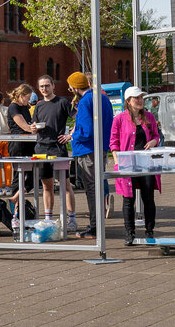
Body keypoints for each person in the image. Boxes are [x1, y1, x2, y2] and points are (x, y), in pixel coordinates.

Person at [110, 85, 161, 245]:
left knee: (148, 198)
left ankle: (149, 231)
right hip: (127, 163)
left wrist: (154, 141)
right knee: (128, 199)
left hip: (146, 163)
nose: (140, 101)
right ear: (128, 101)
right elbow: (113, 142)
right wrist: (117, 161)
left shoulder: (149, 117)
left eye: (141, 98)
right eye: (136, 98)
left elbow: (156, 136)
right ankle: (129, 233)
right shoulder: (119, 119)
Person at [68, 71, 113, 239]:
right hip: (100, 147)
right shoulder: (103, 98)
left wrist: (72, 135)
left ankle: (95, 228)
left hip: (87, 150)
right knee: (97, 188)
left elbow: (86, 131)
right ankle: (96, 226)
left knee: (92, 189)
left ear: (74, 87)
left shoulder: (86, 101)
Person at [33, 74, 74, 228]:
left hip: (58, 148)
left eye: (47, 85)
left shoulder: (62, 102)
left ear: (53, 86)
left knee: (65, 185)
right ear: (39, 88)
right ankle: (49, 219)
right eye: (42, 86)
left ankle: (72, 219)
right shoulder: (38, 105)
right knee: (46, 185)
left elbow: (79, 117)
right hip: (41, 148)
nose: (44, 88)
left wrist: (70, 135)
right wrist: (32, 128)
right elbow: (34, 125)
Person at [5, 83, 37, 194]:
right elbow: (23, 125)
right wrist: (33, 128)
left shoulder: (24, 107)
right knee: (19, 174)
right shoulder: (13, 107)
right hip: (18, 143)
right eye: (27, 98)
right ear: (21, 95)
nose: (28, 101)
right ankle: (16, 199)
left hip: (28, 142)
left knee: (34, 172)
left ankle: (20, 194)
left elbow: (28, 123)